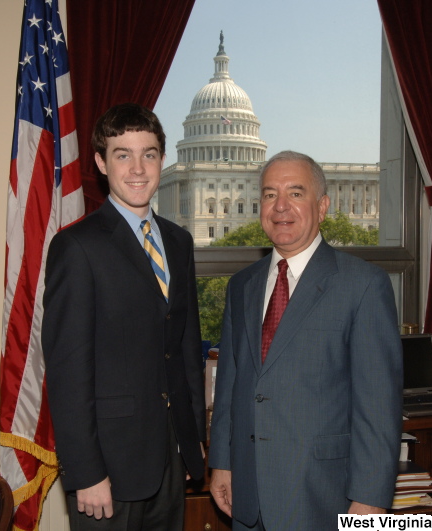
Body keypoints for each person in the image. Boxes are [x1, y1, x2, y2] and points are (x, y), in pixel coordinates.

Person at [208, 150, 403, 530]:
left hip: (324, 497)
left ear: (323, 206)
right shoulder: (241, 286)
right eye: (269, 194)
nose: (280, 206)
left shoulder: (363, 285)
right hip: (247, 496)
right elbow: (231, 386)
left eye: (295, 193)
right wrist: (222, 462)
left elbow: (378, 405)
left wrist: (370, 500)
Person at [42, 103, 206, 531]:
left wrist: (193, 443)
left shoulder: (179, 241)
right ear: (100, 162)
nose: (137, 168)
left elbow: (186, 349)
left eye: (148, 154)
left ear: (162, 160)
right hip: (107, 470)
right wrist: (86, 472)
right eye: (122, 154)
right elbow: (67, 373)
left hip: (169, 458)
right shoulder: (77, 247)